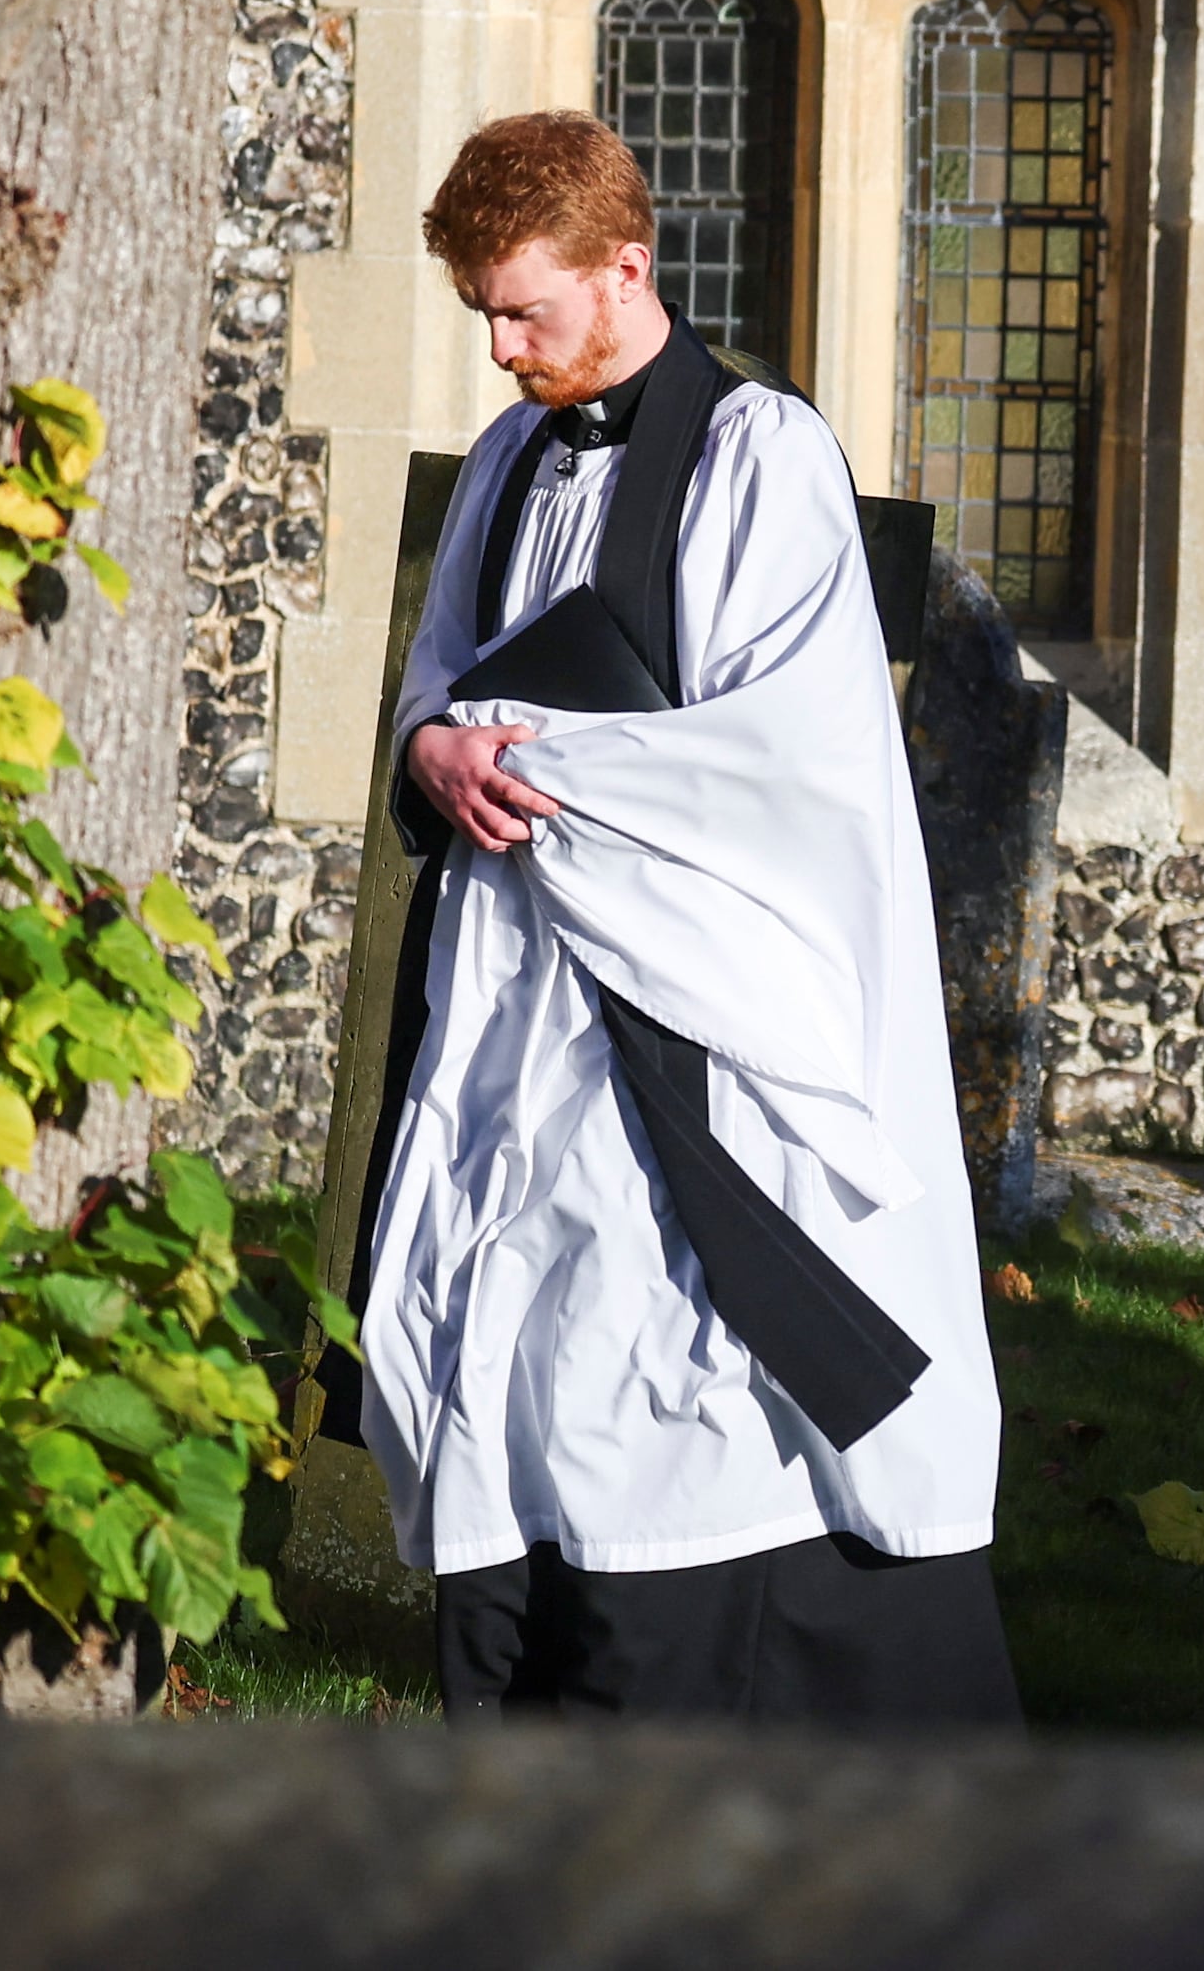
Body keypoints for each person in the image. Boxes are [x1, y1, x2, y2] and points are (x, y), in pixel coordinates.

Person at [374, 113, 1013, 1722]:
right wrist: (437, 746)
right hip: (512, 1004)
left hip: (687, 1012)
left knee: (653, 1352)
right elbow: (437, 671)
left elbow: (790, 760)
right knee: (506, 1339)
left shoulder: (761, 455)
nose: (504, 347)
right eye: (485, 318)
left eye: (525, 309)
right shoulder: (513, 462)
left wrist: (536, 765)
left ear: (628, 265)